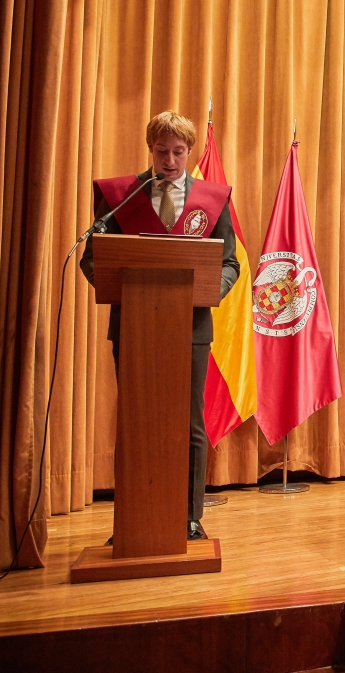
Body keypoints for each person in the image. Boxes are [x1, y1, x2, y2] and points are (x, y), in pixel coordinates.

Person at [79, 110, 239, 542]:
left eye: (178, 152)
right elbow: (91, 257)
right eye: (162, 151)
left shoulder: (212, 199)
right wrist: (118, 286)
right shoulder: (122, 197)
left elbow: (230, 264)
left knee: (190, 425)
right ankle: (130, 517)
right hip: (134, 326)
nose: (169, 161)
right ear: (150, 149)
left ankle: (189, 516)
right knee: (135, 421)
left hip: (190, 328)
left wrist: (210, 289)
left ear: (189, 152)